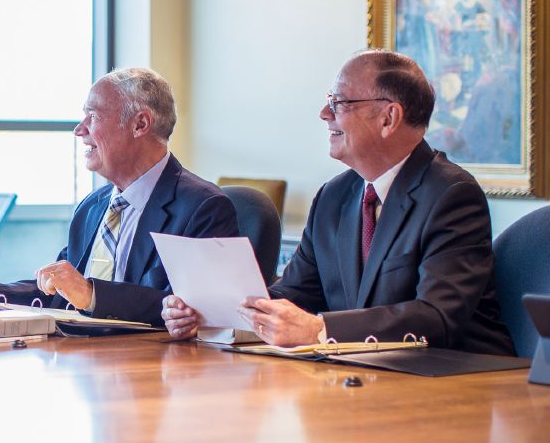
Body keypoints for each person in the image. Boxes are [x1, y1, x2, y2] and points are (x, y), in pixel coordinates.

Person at [162, 50, 515, 355]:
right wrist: (211, 313)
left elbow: (436, 316)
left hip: (457, 384)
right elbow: (295, 293)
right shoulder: (334, 196)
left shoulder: (451, 194)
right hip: (359, 381)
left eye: (338, 103)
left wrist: (320, 330)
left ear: (388, 118)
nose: (323, 113)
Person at [0, 68, 238, 325]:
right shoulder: (93, 207)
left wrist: (92, 294)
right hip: (79, 366)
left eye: (93, 115)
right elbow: (59, 290)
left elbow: (197, 311)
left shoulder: (202, 208)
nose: (79, 129)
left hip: (151, 373)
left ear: (140, 124)